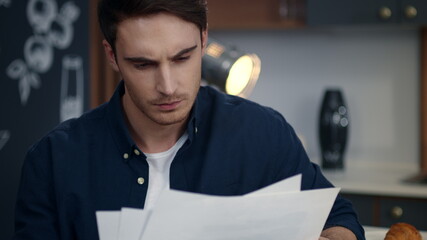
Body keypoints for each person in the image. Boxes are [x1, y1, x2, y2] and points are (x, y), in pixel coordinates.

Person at [13, 0, 365, 239]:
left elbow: (339, 217)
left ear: (204, 38)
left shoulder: (262, 134)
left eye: (183, 58)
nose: (167, 87)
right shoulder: (52, 162)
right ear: (112, 55)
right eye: (143, 64)